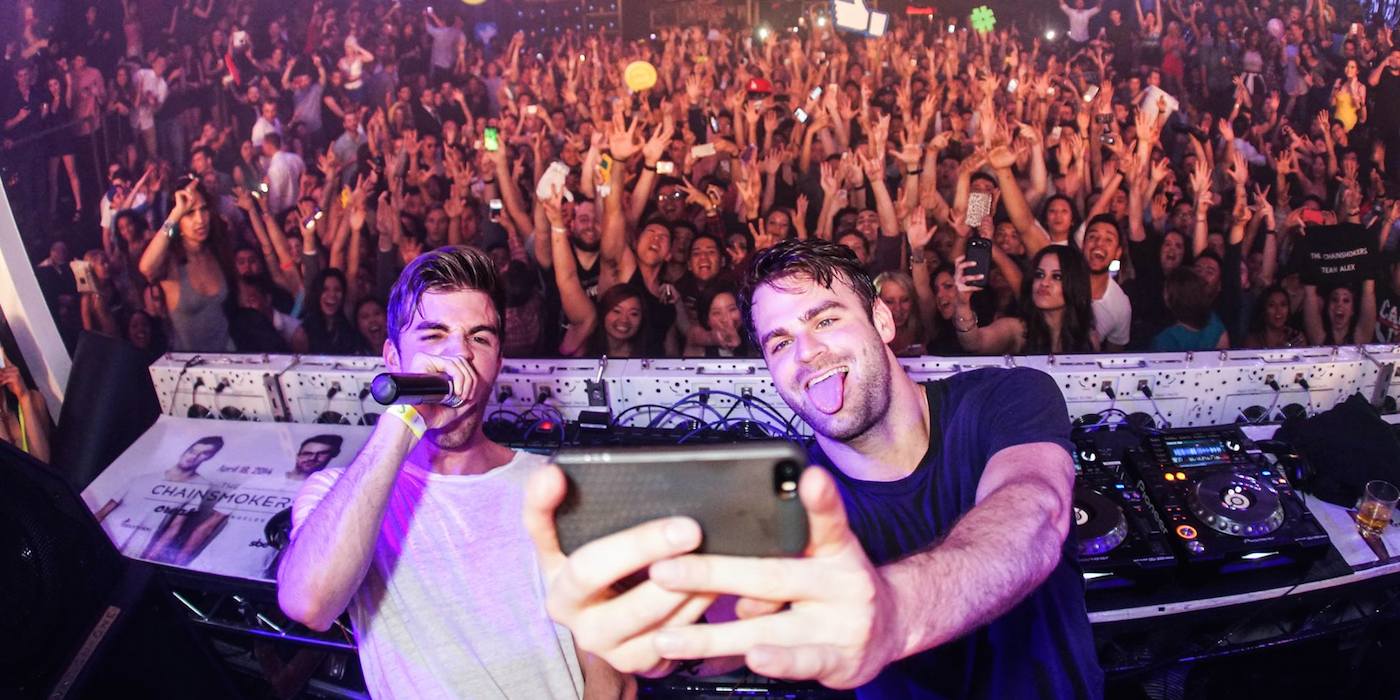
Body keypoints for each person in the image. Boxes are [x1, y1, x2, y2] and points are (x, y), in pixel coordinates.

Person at [524, 239, 1101, 697]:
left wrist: (893, 612)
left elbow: (1034, 512)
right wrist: (655, 634)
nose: (806, 354)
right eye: (779, 343)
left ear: (882, 320)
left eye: (824, 320)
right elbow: (731, 625)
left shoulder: (1007, 397)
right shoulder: (793, 493)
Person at [277, 246, 629, 698]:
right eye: (434, 335)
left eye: (479, 338)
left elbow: (608, 664)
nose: (458, 357)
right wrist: (406, 418)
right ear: (393, 358)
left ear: (498, 361)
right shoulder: (339, 494)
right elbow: (309, 603)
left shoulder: (551, 485)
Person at [93, 436, 225, 563]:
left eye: (203, 454)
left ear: (210, 457)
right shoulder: (145, 475)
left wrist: (152, 555)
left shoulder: (201, 485)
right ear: (185, 451)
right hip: (105, 534)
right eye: (192, 451)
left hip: (138, 546)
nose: (193, 457)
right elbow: (106, 509)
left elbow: (175, 526)